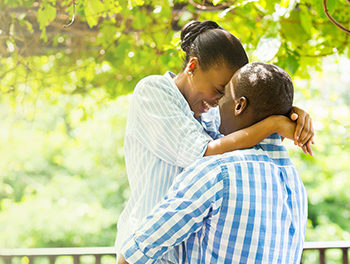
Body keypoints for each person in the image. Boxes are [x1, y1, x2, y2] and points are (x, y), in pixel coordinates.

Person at [115, 20, 313, 263]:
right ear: (193, 66)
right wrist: (273, 123)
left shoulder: (210, 112)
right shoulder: (154, 91)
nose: (220, 101)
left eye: (226, 95)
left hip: (188, 251)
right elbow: (203, 154)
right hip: (151, 250)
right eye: (220, 90)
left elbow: (248, 120)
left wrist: (287, 111)